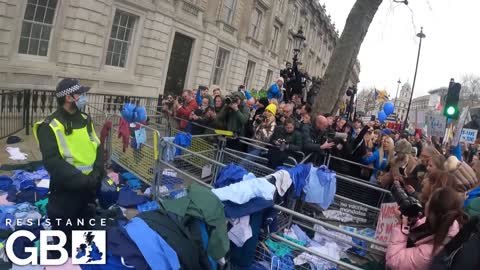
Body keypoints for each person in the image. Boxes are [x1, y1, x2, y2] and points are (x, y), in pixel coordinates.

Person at [33, 78, 105, 256]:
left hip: (89, 191)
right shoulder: (48, 126)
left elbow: (97, 147)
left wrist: (97, 173)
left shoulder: (86, 119)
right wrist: (84, 181)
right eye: (80, 93)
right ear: (69, 97)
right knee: (63, 247)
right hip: (65, 193)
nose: (84, 97)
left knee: (86, 248)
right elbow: (53, 162)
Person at [386, 187, 465, 270]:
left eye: (429, 200)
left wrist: (402, 226)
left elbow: (393, 261)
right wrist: (413, 221)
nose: (426, 203)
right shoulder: (448, 223)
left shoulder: (429, 254)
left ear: (432, 212)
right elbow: (423, 234)